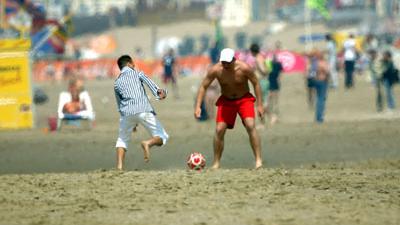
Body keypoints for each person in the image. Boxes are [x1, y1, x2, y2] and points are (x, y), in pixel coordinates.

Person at [194, 48, 264, 169]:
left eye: (227, 62)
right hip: (226, 101)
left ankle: (258, 160)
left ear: (233, 59)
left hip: (244, 100)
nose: (225, 64)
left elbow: (256, 83)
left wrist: (260, 105)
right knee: (219, 129)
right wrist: (198, 106)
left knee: (250, 125)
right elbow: (203, 86)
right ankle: (216, 163)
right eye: (223, 62)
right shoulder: (216, 70)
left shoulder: (244, 68)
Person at [114, 55, 169, 170]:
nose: (134, 66)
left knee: (122, 140)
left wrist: (131, 123)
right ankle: (148, 143)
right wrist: (161, 94)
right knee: (162, 136)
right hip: (143, 109)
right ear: (129, 64)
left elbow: (120, 104)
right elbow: (154, 87)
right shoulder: (138, 73)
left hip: (126, 113)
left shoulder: (117, 82)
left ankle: (119, 167)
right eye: (133, 64)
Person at [266, 54, 283, 126]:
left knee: (271, 99)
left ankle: (273, 115)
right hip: (274, 82)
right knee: (274, 99)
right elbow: (280, 74)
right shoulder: (278, 64)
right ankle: (274, 115)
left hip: (271, 82)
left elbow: (266, 72)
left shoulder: (270, 63)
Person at [313, 50, 330, 123]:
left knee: (318, 98)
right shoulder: (323, 63)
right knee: (321, 99)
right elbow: (327, 72)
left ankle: (318, 116)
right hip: (323, 81)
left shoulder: (315, 63)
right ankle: (320, 117)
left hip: (316, 81)